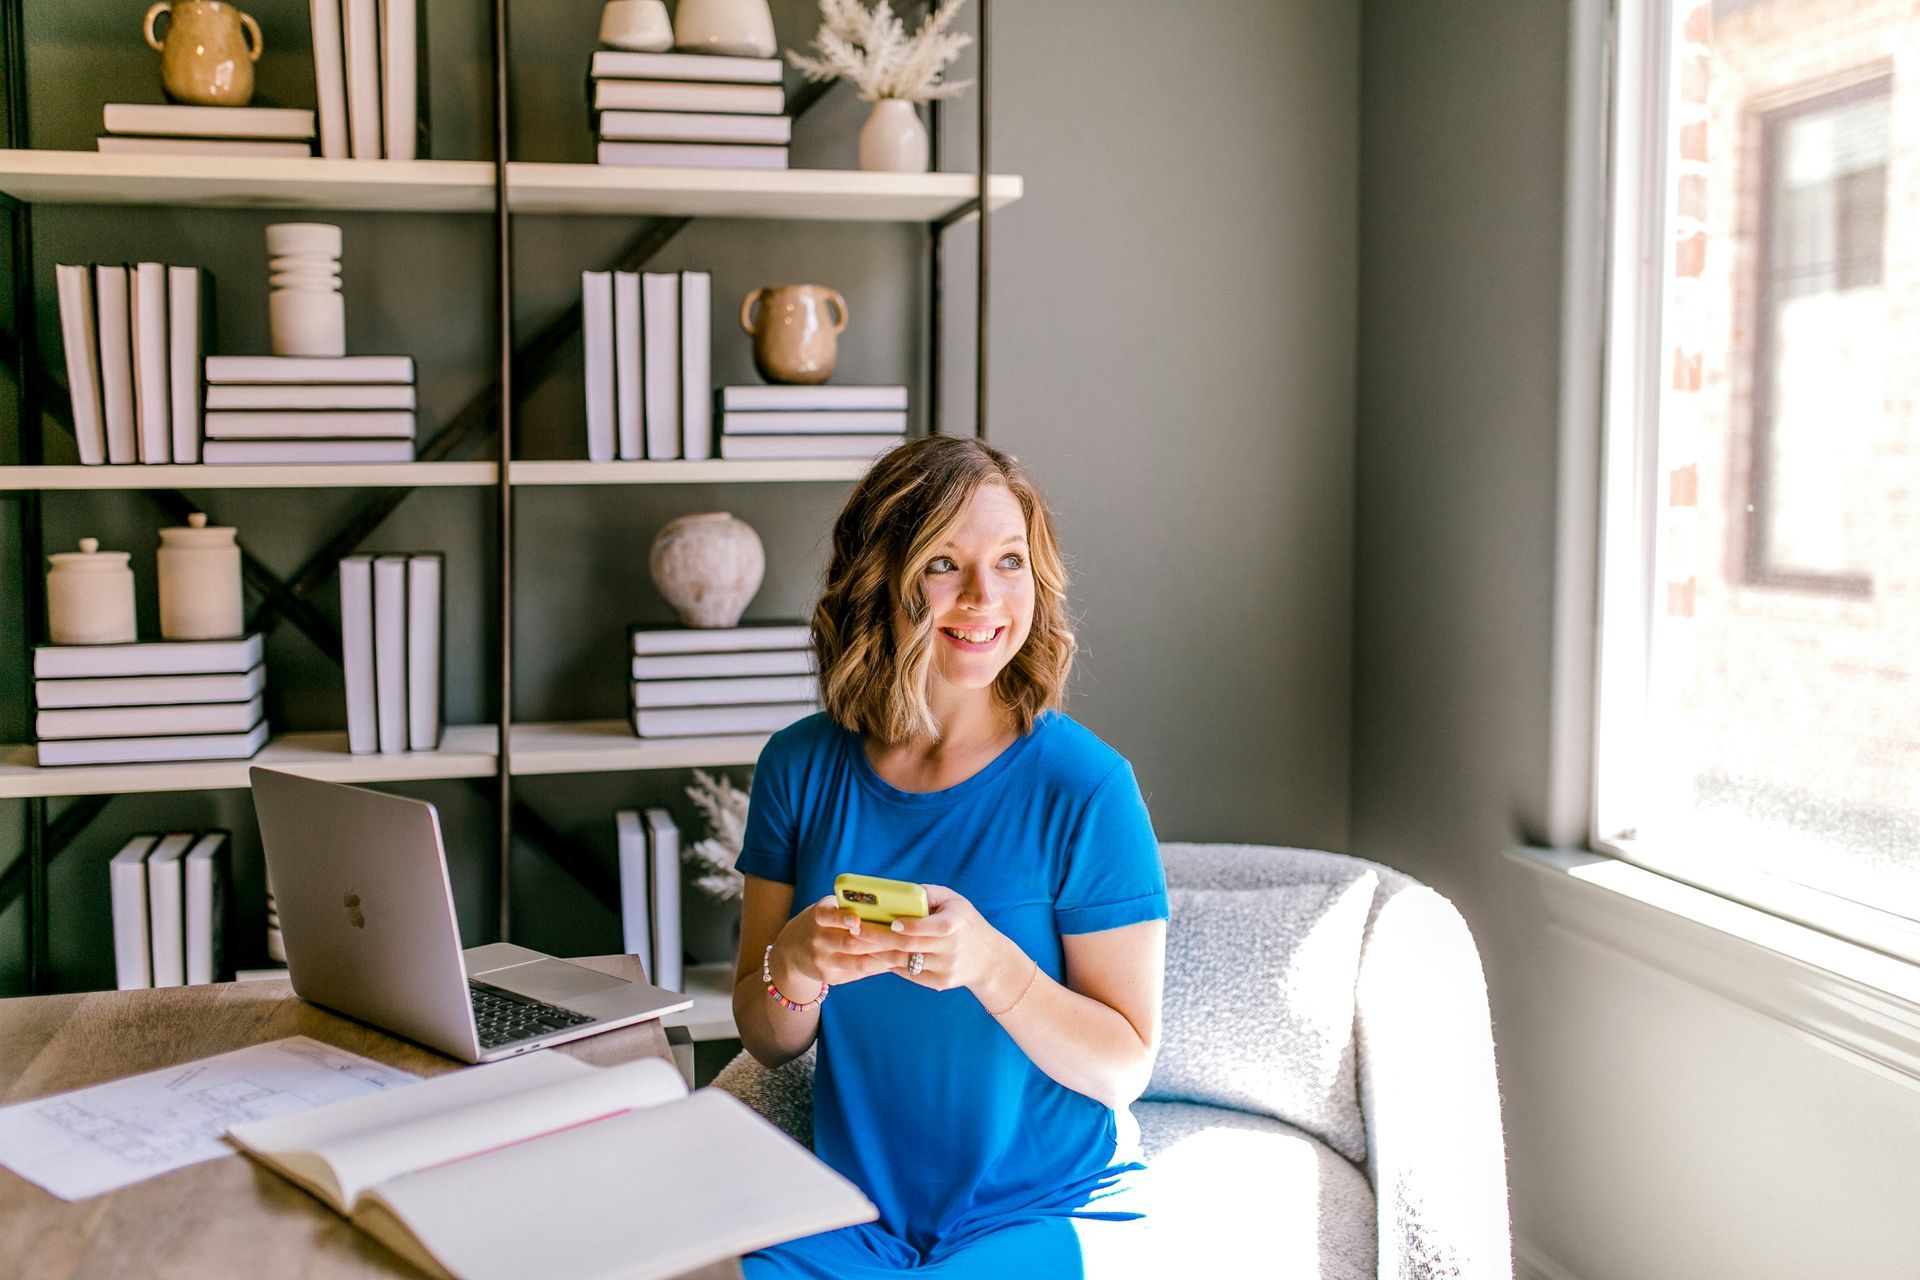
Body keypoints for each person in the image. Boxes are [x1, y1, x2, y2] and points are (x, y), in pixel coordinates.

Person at [731, 436, 1170, 1278]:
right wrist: (795, 965)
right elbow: (768, 1035)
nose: (983, 597)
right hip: (851, 1213)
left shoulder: (1087, 788)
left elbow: (1125, 1064)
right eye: (943, 563)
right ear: (880, 580)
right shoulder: (798, 767)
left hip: (1043, 1210)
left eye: (1009, 561)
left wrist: (994, 969)